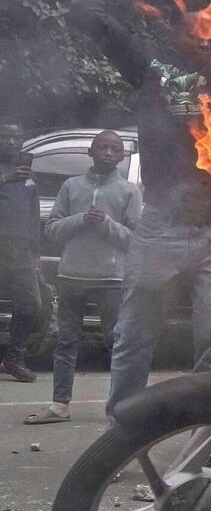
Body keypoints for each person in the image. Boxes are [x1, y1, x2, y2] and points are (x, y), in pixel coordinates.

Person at [69, 0, 211, 426]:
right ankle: (122, 429)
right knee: (134, 337)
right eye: (194, 29)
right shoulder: (154, 70)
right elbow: (85, 13)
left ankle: (205, 446)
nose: (205, 36)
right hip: (161, 225)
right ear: (175, 32)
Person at [26, 132, 142, 424]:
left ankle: (122, 409)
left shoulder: (129, 191)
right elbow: (51, 230)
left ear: (121, 156)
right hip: (71, 276)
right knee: (66, 341)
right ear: (91, 152)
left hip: (111, 279)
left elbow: (135, 241)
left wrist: (105, 224)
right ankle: (60, 405)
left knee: (117, 343)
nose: (108, 152)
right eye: (102, 147)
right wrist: (80, 219)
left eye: (115, 149)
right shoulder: (71, 186)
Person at [0, 121, 41, 382]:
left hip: (20, 249)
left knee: (30, 304)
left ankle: (13, 358)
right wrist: (4, 179)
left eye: (18, 137)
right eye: (6, 136)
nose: (13, 142)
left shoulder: (28, 175)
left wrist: (35, 252)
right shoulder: (11, 174)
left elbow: (34, 214)